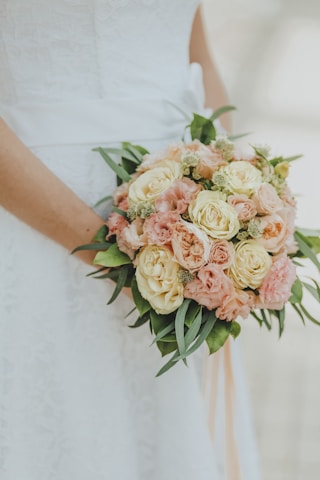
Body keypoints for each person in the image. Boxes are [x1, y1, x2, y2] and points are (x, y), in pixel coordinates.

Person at [0, 1, 261, 479]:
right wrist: (121, 253)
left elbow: (192, 48)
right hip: (41, 218)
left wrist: (245, 199)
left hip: (192, 231)